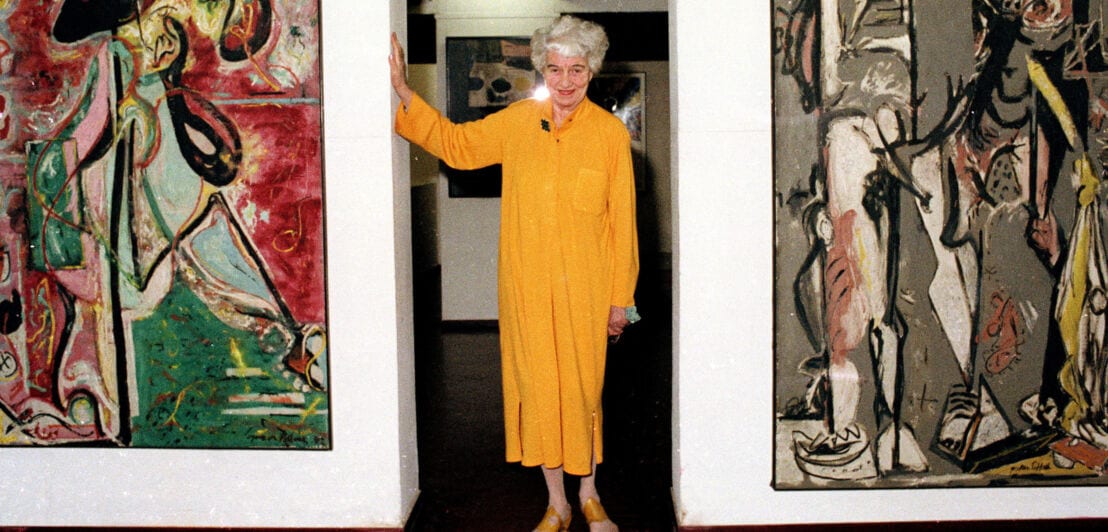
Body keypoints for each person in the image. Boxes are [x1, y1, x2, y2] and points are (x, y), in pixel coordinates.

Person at [390, 15, 638, 532]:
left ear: (592, 71)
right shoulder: (519, 121)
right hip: (527, 286)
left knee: (584, 392)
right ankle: (557, 503)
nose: (566, 81)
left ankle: (590, 495)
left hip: (588, 289)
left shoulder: (610, 134)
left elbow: (624, 225)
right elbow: (458, 145)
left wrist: (622, 301)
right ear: (542, 69)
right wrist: (406, 95)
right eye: (556, 69)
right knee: (539, 391)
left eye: (576, 69)